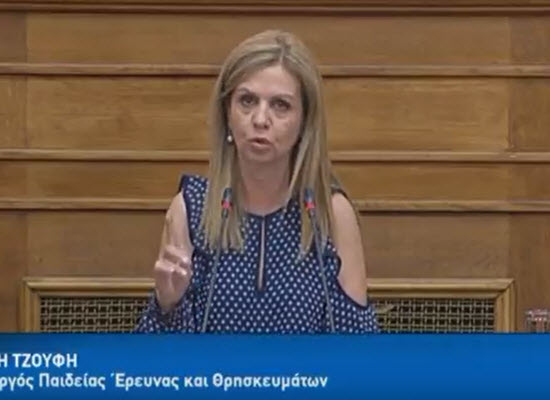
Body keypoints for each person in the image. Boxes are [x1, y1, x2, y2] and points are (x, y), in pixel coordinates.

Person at [136, 30, 379, 334]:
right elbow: (157, 357)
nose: (260, 119)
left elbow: (358, 350)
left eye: (280, 105)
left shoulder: (330, 213)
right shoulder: (192, 208)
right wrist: (167, 306)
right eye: (247, 101)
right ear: (227, 113)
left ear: (305, 122)